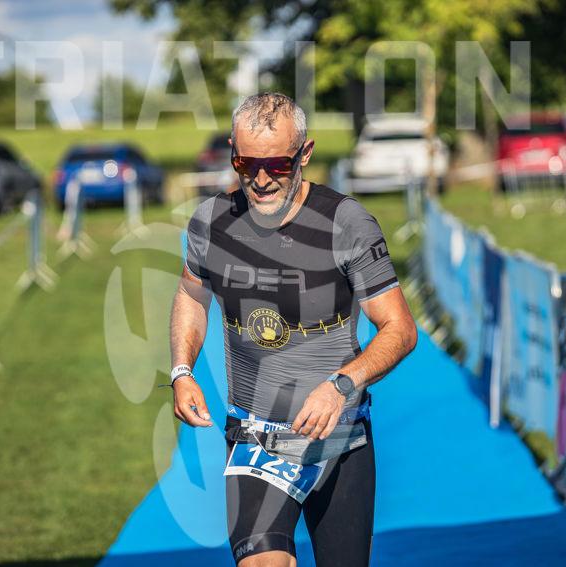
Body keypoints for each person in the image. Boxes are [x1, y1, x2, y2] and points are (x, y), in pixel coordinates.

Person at [169, 92, 418, 567]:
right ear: (232, 152)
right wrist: (182, 370)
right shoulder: (211, 222)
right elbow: (191, 295)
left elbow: (400, 329)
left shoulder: (346, 224)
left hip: (339, 437)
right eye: (246, 164)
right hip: (256, 435)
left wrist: (341, 385)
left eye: (277, 165)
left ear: (304, 153)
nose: (261, 180)